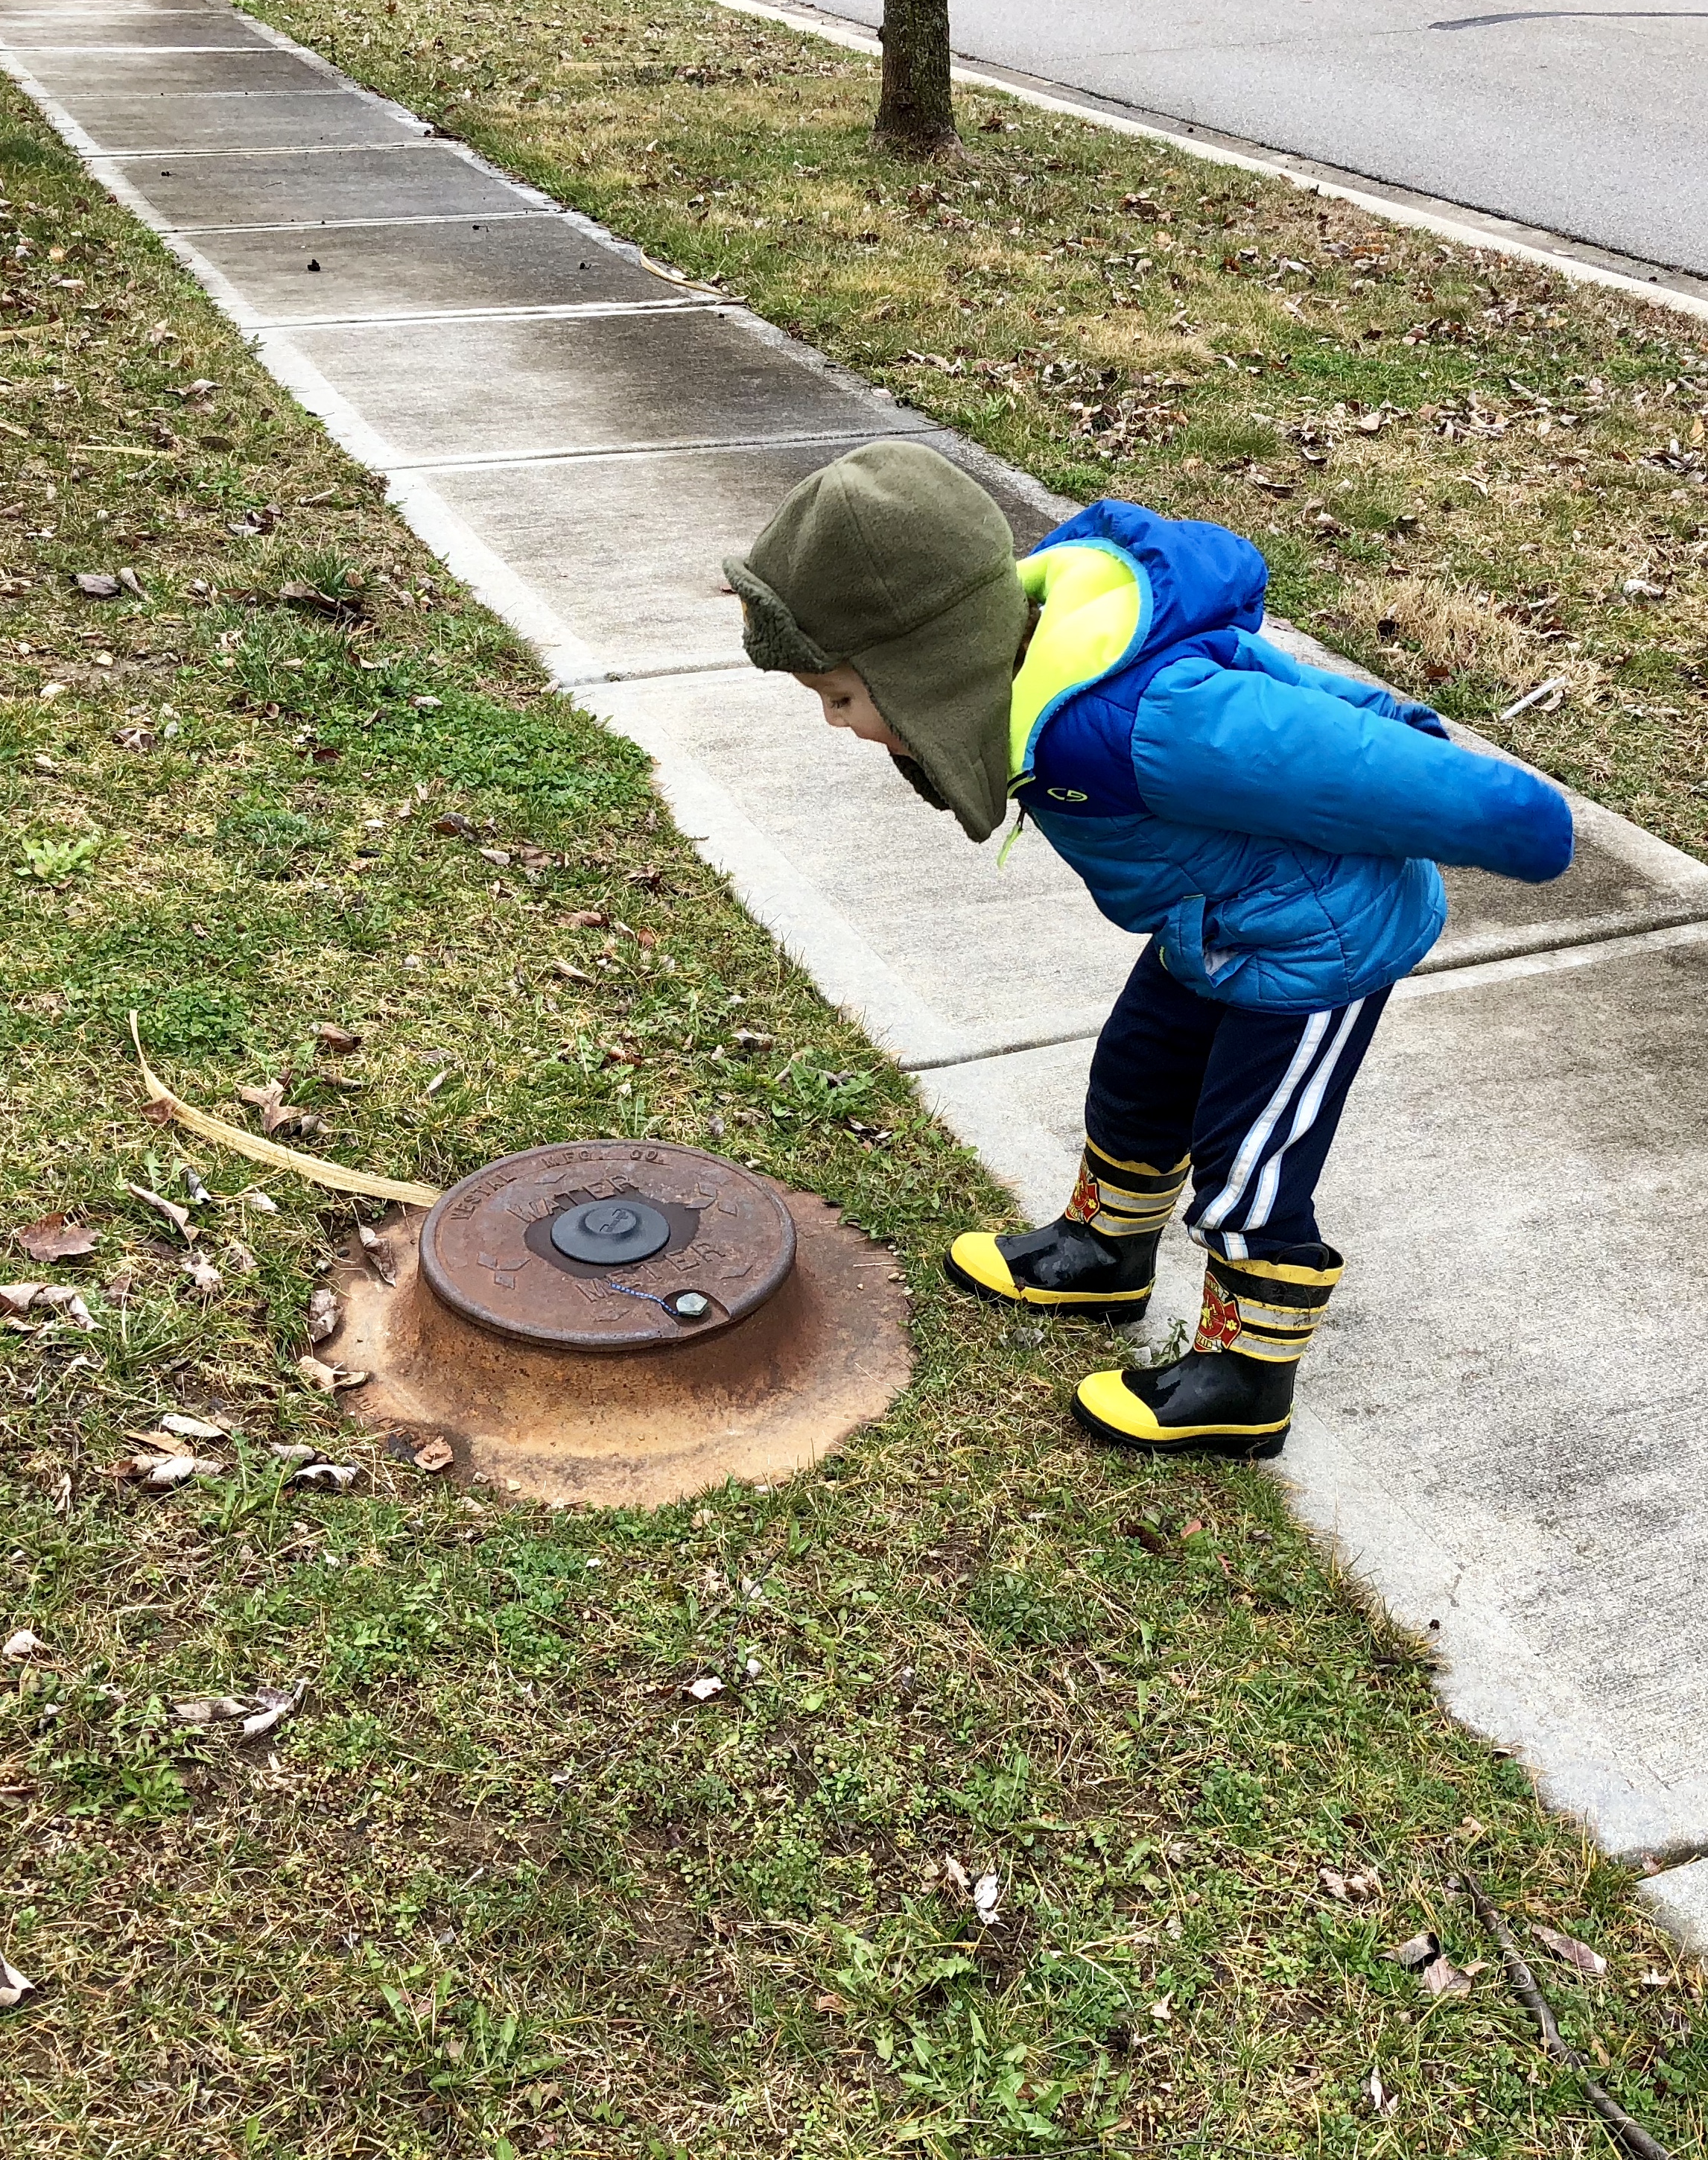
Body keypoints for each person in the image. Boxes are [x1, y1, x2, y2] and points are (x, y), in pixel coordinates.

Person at [723, 441, 1572, 1459]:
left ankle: (1245, 1379)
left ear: (928, 666)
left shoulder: (1143, 723)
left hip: (1314, 949)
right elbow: (1257, 671)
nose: (836, 723)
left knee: (1248, 1160)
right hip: (1203, 924)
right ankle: (1103, 1253)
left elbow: (1324, 746)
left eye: (843, 697)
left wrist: (1503, 807)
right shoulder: (1047, 676)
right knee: (1136, 1079)